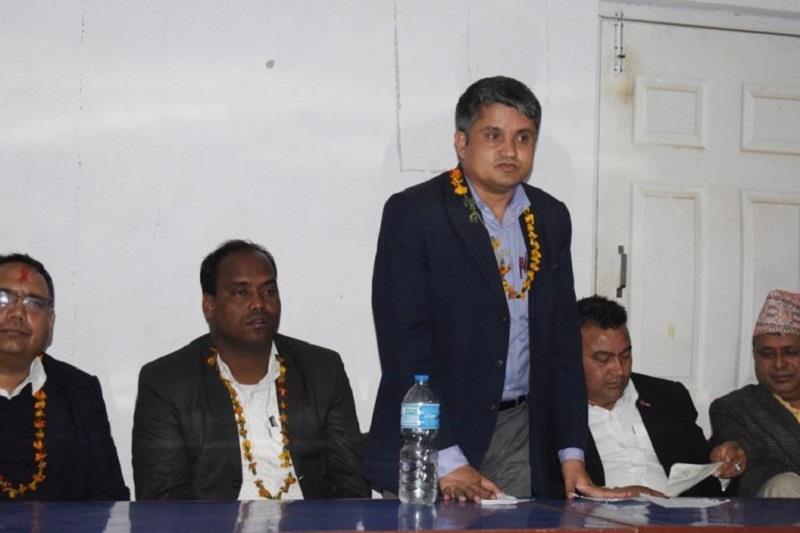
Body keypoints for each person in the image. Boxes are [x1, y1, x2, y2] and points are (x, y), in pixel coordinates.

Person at [366, 76, 617, 500]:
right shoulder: (416, 213)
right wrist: (447, 457)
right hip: (434, 437)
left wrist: (571, 454)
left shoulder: (550, 217)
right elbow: (403, 348)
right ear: (461, 142)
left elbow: (560, 344)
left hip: (519, 432)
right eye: (493, 135)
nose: (510, 150)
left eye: (523, 137)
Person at [132, 240, 370, 500]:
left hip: (312, 521)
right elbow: (163, 502)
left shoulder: (323, 370)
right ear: (209, 305)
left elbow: (351, 486)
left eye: (268, 291)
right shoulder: (166, 382)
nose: (258, 304)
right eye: (241, 293)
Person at [578, 295, 745, 497]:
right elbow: (554, 492)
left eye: (625, 356)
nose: (619, 370)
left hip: (676, 513)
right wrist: (620, 496)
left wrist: (724, 467)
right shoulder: (553, 413)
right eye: (603, 359)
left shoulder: (668, 397)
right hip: (600, 515)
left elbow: (704, 481)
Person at [0, 253, 128, 501]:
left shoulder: (80, 391)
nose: (17, 313)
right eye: (3, 298)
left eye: (33, 303)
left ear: (50, 323)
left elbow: (108, 499)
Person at [710, 289, 800, 497]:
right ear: (754, 356)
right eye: (767, 354)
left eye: (791, 352)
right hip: (784, 500)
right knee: (783, 485)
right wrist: (733, 457)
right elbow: (743, 459)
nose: (779, 364)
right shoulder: (736, 407)